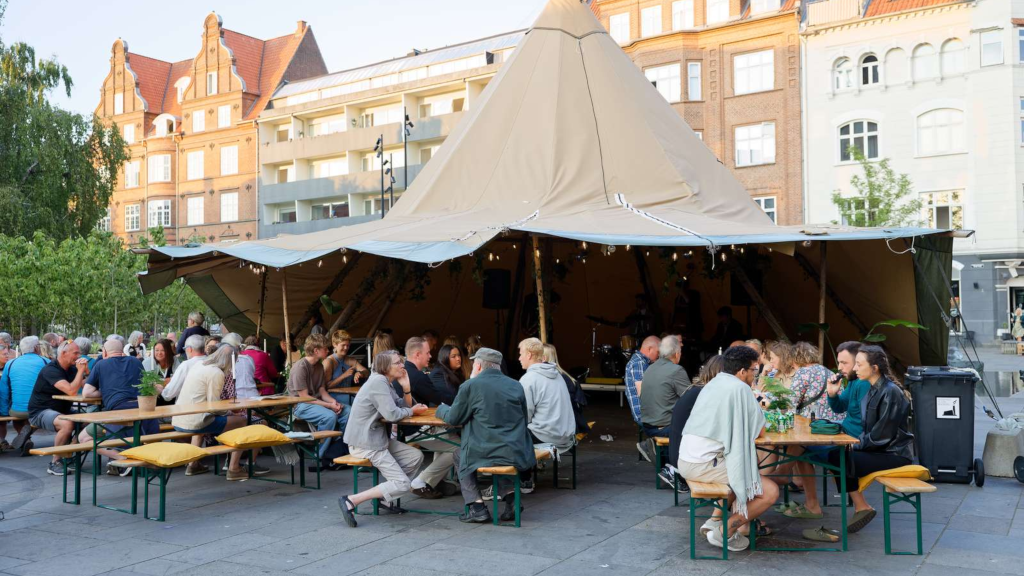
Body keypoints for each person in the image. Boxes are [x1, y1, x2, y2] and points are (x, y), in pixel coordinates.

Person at [678, 345, 779, 552]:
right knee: (770, 491)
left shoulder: (715, 382)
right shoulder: (740, 388)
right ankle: (725, 531)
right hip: (704, 464)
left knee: (740, 469)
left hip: (688, 459)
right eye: (754, 370)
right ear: (742, 371)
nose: (755, 375)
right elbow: (759, 431)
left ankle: (714, 523)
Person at [436, 348, 537, 524]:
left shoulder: (470, 386)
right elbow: (524, 418)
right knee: (502, 450)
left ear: (478, 366)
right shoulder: (516, 385)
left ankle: (477, 507)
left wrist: (441, 409)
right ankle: (512, 500)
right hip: (515, 450)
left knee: (460, 455)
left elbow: (453, 418)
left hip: (485, 451)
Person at [826, 345, 914, 534]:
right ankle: (860, 507)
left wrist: (854, 445)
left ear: (874, 368)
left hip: (894, 454)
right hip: (880, 449)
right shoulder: (873, 389)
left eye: (859, 364)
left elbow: (881, 436)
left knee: (840, 456)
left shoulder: (890, 392)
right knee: (838, 455)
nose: (855, 369)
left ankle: (862, 507)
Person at [337, 350, 427, 527]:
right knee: (402, 484)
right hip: (366, 442)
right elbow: (393, 414)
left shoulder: (386, 382)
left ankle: (384, 498)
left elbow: (403, 405)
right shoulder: (378, 382)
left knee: (415, 456)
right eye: (398, 363)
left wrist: (406, 388)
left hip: (376, 438)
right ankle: (351, 500)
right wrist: (413, 411)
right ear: (386, 367)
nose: (402, 365)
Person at [79, 339, 159, 476]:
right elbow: (146, 386)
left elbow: (86, 393)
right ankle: (128, 457)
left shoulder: (101, 365)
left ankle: (120, 457)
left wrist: (106, 391)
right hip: (140, 411)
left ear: (104, 351)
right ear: (122, 350)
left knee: (83, 439)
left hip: (117, 414)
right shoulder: (135, 361)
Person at [171, 346, 250, 479]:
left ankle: (193, 464)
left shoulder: (199, 365)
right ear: (229, 361)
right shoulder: (216, 373)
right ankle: (234, 468)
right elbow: (215, 407)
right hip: (195, 422)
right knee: (242, 421)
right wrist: (233, 412)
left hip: (179, 419)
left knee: (204, 422)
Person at [517, 337, 575, 492]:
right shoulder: (556, 374)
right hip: (566, 434)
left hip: (548, 435)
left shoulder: (529, 379)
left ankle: (521, 481)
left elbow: (524, 415)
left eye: (521, 353)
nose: (519, 358)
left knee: (510, 434)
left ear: (529, 355)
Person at [408, 340, 462, 499]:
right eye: (428, 353)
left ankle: (436, 480)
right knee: (459, 447)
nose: (431, 356)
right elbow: (439, 398)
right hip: (416, 428)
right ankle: (421, 481)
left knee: (448, 438)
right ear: (418, 355)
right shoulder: (422, 376)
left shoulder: (410, 373)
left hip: (413, 425)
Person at [27, 341, 90, 475]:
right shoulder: (50, 370)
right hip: (40, 411)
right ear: (63, 353)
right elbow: (72, 391)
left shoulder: (71, 369)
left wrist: (87, 372)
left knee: (90, 421)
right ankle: (55, 462)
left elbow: (85, 384)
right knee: (67, 424)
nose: (79, 356)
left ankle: (70, 451)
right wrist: (80, 372)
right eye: (76, 353)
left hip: (63, 410)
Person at [664, 354, 724, 488]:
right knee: (742, 468)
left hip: (679, 453)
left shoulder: (698, 389)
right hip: (685, 458)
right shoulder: (705, 393)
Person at [287, 334, 349, 463]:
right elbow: (304, 397)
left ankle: (340, 448)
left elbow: (321, 390)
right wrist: (329, 406)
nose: (328, 351)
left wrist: (333, 402)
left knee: (348, 411)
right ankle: (320, 454)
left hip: (314, 402)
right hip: (300, 405)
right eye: (325, 348)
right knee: (329, 416)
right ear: (316, 351)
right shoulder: (300, 367)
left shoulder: (319, 366)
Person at [638, 335, 692, 462]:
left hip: (647, 425)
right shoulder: (676, 370)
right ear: (677, 353)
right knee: (700, 425)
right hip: (663, 428)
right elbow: (690, 399)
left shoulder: (650, 368)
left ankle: (663, 459)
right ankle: (678, 469)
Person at [1, 336, 49, 452]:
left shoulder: (10, 364)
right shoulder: (45, 362)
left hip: (18, 410)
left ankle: (25, 439)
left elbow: (4, 390)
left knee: (17, 418)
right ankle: (26, 438)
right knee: (34, 416)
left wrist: (3, 412)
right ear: (36, 348)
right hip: (41, 409)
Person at [827, 341, 872, 438]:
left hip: (853, 441)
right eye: (839, 362)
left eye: (844, 363)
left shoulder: (864, 383)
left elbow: (867, 424)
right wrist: (832, 394)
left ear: (858, 362)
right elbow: (840, 408)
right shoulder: (854, 380)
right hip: (845, 432)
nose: (839, 367)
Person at [542, 343, 589, 435]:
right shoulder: (565, 376)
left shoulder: (552, 378)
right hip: (570, 424)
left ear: (543, 357)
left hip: (558, 427)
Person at [790, 342, 843, 422]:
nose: (791, 365)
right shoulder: (830, 372)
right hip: (835, 423)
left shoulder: (803, 372)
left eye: (792, 361)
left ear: (797, 358)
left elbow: (791, 401)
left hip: (813, 424)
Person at [625, 335, 659, 430]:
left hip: (648, 415)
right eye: (658, 352)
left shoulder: (640, 361)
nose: (659, 355)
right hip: (646, 417)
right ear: (650, 349)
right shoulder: (639, 363)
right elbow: (643, 395)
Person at [160, 335, 206, 401]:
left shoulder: (186, 365)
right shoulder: (211, 362)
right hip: (209, 407)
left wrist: (161, 389)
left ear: (189, 349)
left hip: (187, 408)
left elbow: (168, 394)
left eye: (185, 348)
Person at [323, 330, 367, 397]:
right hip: (333, 398)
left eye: (348, 345)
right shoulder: (329, 361)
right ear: (334, 344)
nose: (346, 348)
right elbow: (325, 387)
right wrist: (344, 375)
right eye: (343, 345)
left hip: (349, 395)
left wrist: (360, 373)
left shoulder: (351, 360)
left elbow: (367, 372)